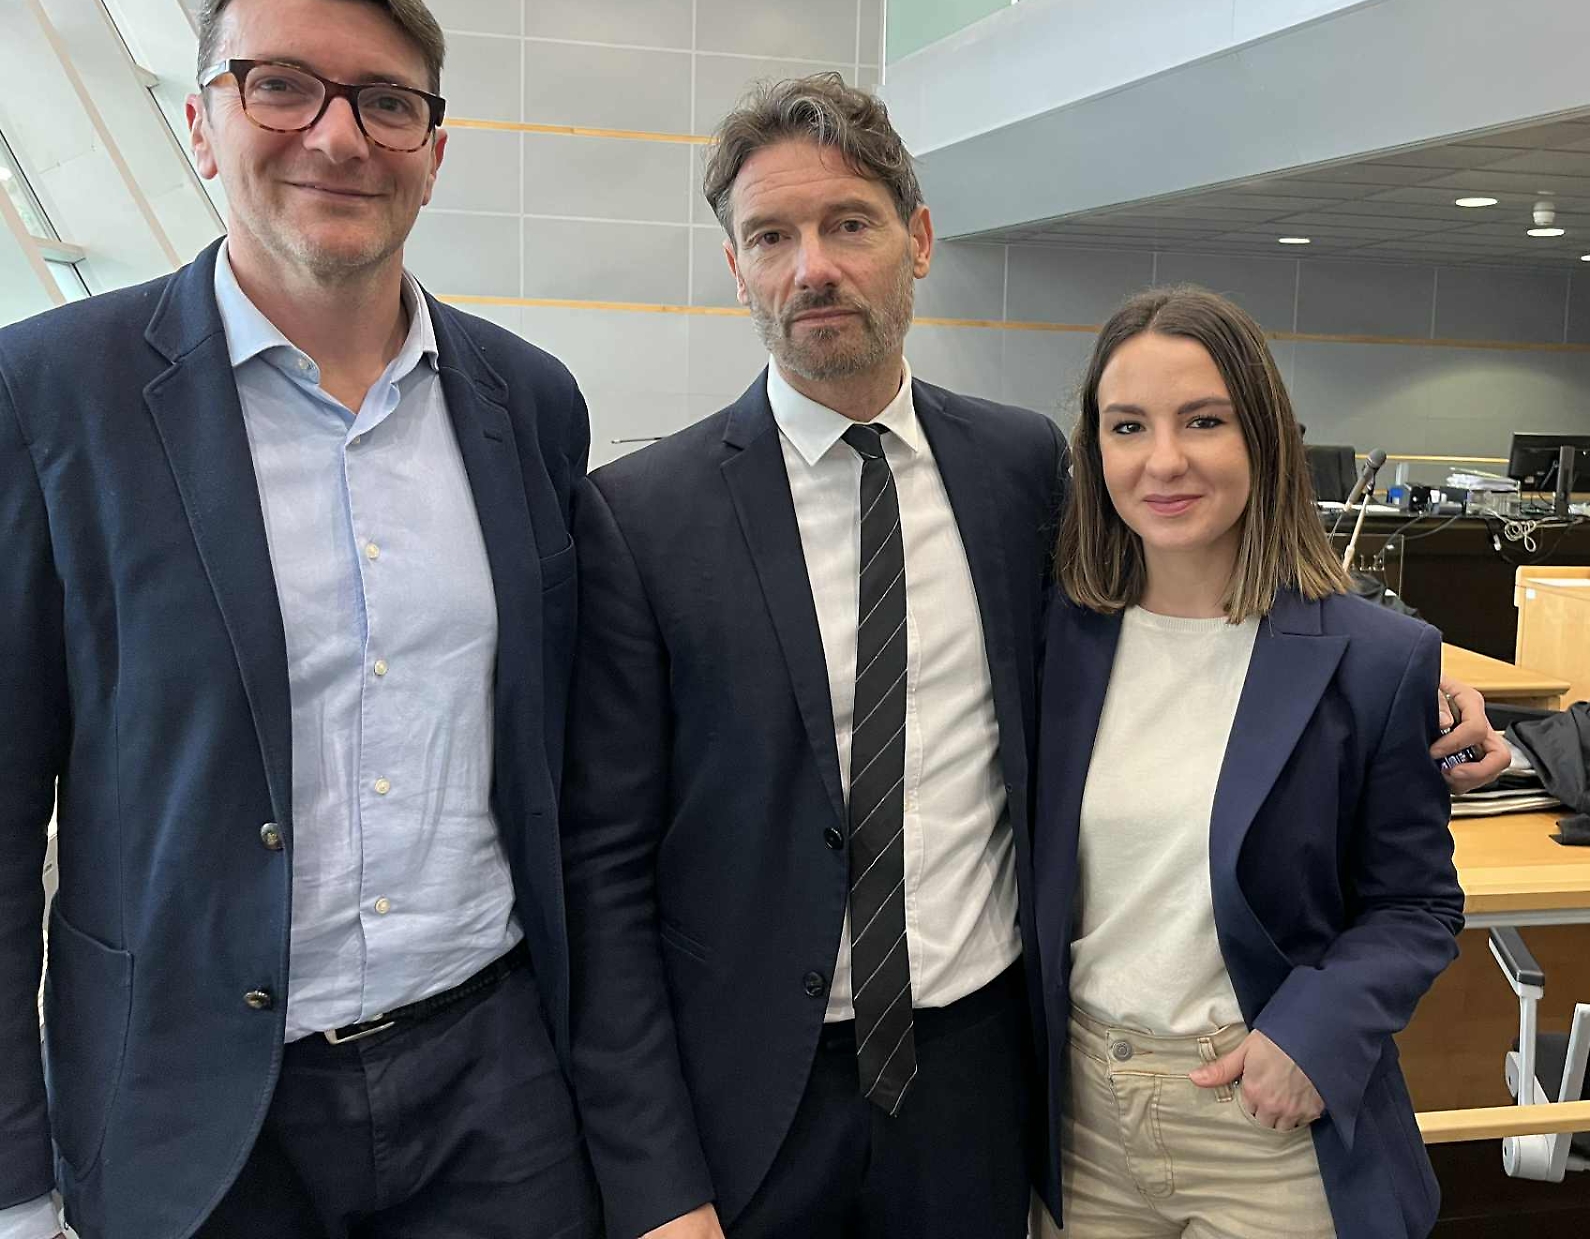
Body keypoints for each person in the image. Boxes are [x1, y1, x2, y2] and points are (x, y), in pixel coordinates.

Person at [563, 74, 1502, 1239]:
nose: (813, 268)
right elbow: (603, 875)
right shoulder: (640, 516)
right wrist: (657, 1189)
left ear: (917, 240)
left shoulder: (1013, 470)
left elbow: (1191, 588)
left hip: (983, 1072)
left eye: (849, 224)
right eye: (771, 237)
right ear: (735, 265)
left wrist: (1417, 679)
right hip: (750, 1092)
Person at [0, 0, 596, 1239]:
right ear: (204, 126)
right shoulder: (48, 399)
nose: (338, 136)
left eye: (386, 102)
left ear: (433, 153)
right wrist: (14, 1183)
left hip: (496, 1089)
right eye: (280, 86)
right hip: (191, 1109)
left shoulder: (530, 405)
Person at [1032, 286, 1464, 1239]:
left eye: (1203, 421)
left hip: (1265, 1121)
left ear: (1262, 436)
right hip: (1079, 1126)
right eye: (1128, 426)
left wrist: (1316, 1035)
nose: (1164, 460)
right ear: (1094, 451)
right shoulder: (1048, 640)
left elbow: (1416, 904)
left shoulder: (1376, 659)